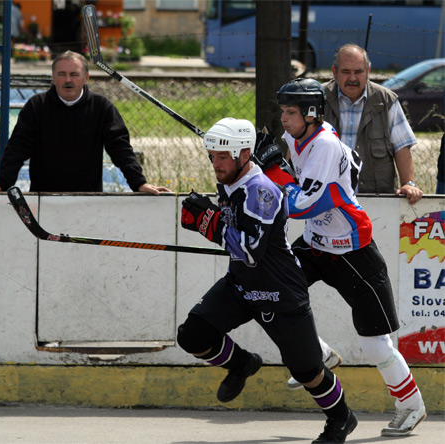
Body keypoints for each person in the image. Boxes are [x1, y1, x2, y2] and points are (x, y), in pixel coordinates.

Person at [254, 78, 426, 438]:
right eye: (282, 111)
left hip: (352, 251)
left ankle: (411, 405)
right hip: (317, 244)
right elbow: (283, 179)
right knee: (268, 289)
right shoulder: (297, 137)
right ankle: (318, 354)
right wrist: (256, 159)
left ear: (312, 114)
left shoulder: (326, 147)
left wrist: (271, 170)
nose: (283, 119)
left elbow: (301, 205)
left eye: (290, 113)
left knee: (375, 343)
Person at [178, 117, 358, 443]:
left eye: (223, 157)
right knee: (192, 335)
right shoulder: (230, 182)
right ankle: (244, 364)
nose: (216, 164)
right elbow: (233, 238)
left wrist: (208, 223)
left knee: (307, 372)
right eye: (212, 157)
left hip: (280, 292)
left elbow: (250, 250)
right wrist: (209, 218)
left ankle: (341, 417)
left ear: (244, 155)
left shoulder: (261, 191)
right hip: (242, 285)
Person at [0, 51, 170, 195]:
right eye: (62, 74)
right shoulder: (36, 106)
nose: (68, 80)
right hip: (43, 198)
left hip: (89, 198)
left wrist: (139, 183)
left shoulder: (102, 108)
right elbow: (17, 148)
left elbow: (120, 149)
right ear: (53, 78)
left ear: (86, 78)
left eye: (74, 74)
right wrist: (2, 183)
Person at [323, 43, 423, 204]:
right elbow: (298, 144)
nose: (353, 78)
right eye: (346, 72)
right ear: (334, 72)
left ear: (368, 71)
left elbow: (402, 147)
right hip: (326, 199)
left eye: (358, 72)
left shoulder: (386, 100)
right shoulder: (318, 99)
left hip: (376, 200)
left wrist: (408, 183)